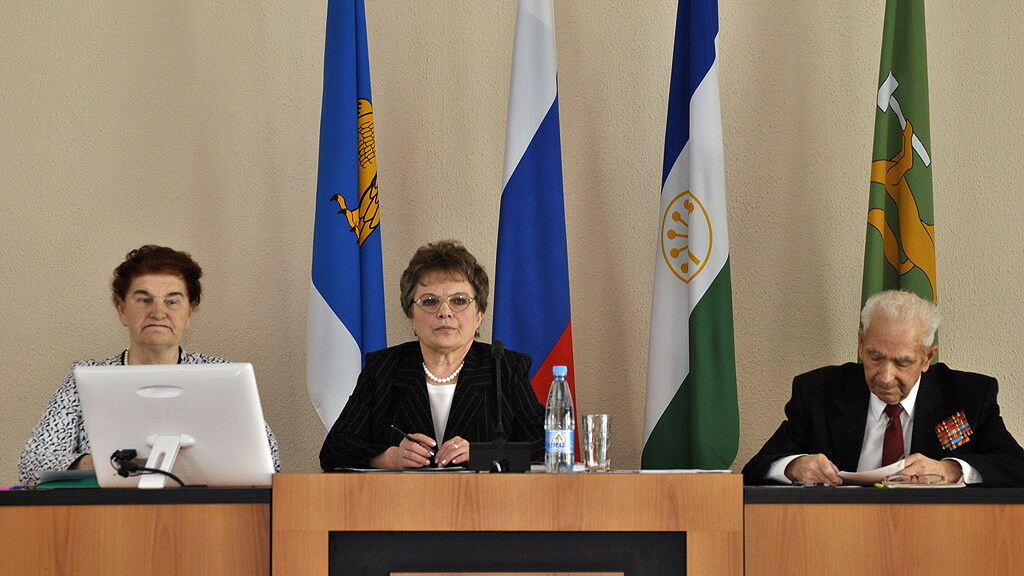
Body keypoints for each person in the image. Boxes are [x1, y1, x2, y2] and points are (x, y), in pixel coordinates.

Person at [19, 245, 281, 486]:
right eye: (144, 300)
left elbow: (270, 463)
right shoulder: (83, 379)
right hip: (107, 516)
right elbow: (31, 465)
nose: (158, 312)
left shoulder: (222, 377)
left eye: (172, 301)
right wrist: (104, 462)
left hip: (203, 514)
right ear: (122, 309)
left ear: (190, 312)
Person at [743, 290, 1024, 487]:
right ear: (861, 343)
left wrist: (951, 470)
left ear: (927, 357)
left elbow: (1015, 466)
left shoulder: (968, 396)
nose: (886, 377)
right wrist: (794, 467)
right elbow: (757, 468)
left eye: (903, 362)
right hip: (839, 534)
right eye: (875, 357)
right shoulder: (818, 392)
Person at [319, 240, 544, 470]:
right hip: (402, 494)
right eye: (430, 301)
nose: (445, 312)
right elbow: (334, 449)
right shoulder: (383, 368)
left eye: (459, 301)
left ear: (479, 314)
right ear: (411, 316)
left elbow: (547, 446)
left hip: (484, 494)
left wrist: (483, 454)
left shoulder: (505, 367)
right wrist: (389, 457)